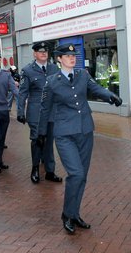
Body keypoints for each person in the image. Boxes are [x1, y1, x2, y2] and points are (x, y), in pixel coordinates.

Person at [37, 43, 122, 234]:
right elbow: (45, 108)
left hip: (85, 131)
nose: (72, 58)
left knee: (82, 175)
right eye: (67, 56)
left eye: (73, 55)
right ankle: (67, 214)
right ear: (59, 59)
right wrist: (40, 133)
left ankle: (75, 214)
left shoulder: (83, 75)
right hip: (64, 134)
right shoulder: (52, 81)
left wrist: (111, 96)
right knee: (75, 173)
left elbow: (95, 88)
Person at [17, 41, 62, 184]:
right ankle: (35, 168)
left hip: (51, 112)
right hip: (35, 112)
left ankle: (50, 171)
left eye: (46, 52)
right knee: (37, 140)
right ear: (35, 54)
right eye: (41, 52)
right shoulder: (27, 70)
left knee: (49, 142)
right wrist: (20, 111)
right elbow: (22, 93)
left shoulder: (54, 68)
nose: (44, 54)